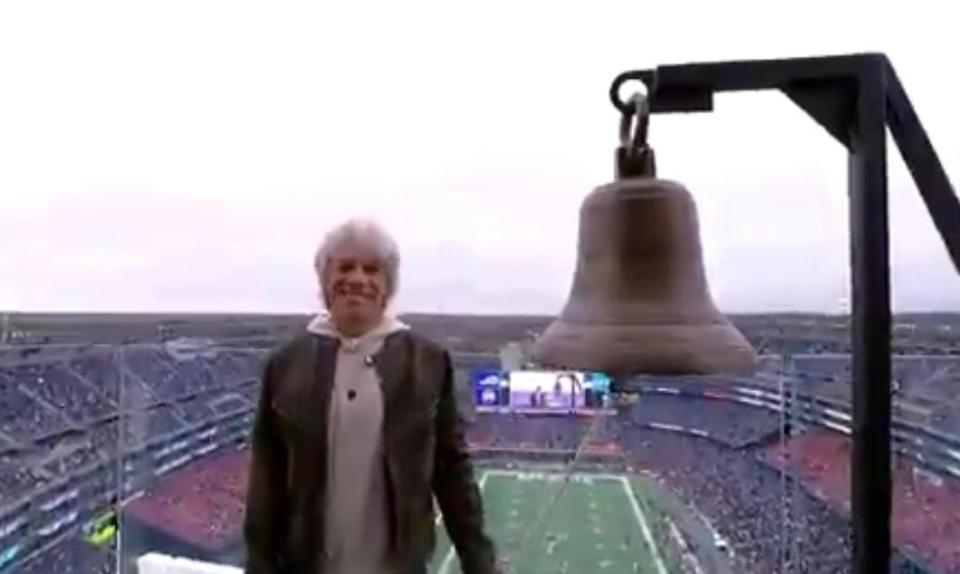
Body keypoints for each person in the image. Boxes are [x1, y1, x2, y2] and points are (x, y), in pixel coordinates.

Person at [244, 217, 498, 574]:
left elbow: (451, 470)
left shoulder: (427, 363)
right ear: (325, 281)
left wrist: (480, 562)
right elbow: (266, 479)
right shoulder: (286, 366)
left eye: (372, 269)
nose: (358, 279)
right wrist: (259, 564)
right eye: (345, 266)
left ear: (387, 286)